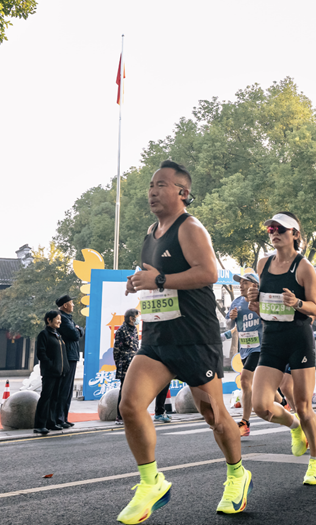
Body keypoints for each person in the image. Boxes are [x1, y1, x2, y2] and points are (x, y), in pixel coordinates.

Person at [118, 160, 252, 521]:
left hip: (194, 338)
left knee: (214, 415)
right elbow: (156, 275)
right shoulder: (151, 232)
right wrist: (139, 281)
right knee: (129, 406)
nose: (152, 191)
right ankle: (151, 483)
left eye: (161, 184)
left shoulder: (190, 228)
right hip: (158, 338)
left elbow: (208, 273)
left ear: (183, 192)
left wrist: (160, 281)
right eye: (151, 184)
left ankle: (237, 474)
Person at [246, 211, 316, 485]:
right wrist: (253, 301)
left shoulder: (303, 267)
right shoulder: (262, 264)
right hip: (271, 340)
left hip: (298, 339)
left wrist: (297, 304)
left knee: (304, 406)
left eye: (280, 228)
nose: (274, 232)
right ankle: (294, 427)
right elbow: (262, 308)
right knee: (260, 406)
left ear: (295, 233)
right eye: (270, 228)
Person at [224, 272, 263, 436]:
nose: (240, 285)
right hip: (245, 348)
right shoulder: (236, 302)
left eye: (244, 282)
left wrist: (259, 309)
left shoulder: (261, 299)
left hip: (261, 347)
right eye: (240, 283)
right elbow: (228, 323)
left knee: (245, 380)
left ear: (254, 285)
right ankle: (283, 401)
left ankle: (245, 422)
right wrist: (231, 318)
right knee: (260, 384)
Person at [34, 310, 69, 435]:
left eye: (60, 319)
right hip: (50, 372)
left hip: (60, 372)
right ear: (49, 320)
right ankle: (39, 424)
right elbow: (41, 353)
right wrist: (51, 365)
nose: (59, 321)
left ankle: (51, 422)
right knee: (46, 398)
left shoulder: (57, 335)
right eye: (57, 319)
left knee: (55, 398)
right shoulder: (44, 334)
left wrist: (65, 368)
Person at [55, 294, 83, 429]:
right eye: (71, 303)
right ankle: (59, 418)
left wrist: (78, 329)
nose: (73, 305)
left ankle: (64, 417)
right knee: (64, 388)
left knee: (68, 389)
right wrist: (77, 329)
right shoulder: (63, 320)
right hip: (67, 356)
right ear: (65, 305)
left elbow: (79, 332)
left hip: (72, 356)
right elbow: (75, 335)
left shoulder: (68, 319)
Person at [113, 309, 140, 425]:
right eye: (136, 317)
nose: (138, 319)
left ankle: (131, 413)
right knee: (124, 389)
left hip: (134, 363)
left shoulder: (134, 329)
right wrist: (119, 364)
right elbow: (116, 351)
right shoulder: (121, 331)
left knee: (133, 389)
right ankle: (119, 416)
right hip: (124, 363)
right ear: (131, 318)